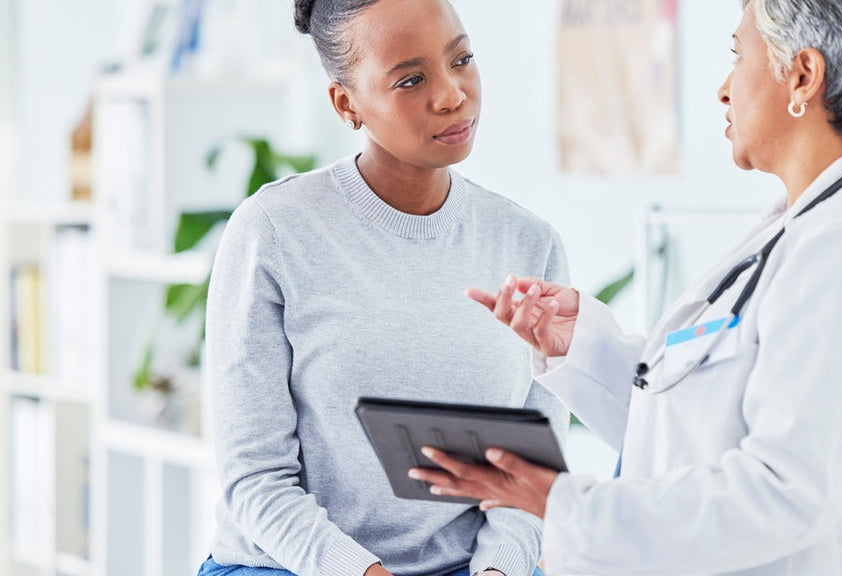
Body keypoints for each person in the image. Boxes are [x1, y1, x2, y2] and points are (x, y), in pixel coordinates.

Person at [411, 0, 842, 574]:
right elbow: (696, 428)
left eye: (738, 55)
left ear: (803, 77)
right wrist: (584, 345)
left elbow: (785, 491)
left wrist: (563, 504)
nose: (723, 88)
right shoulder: (803, 231)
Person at [196, 1, 568, 575]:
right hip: (293, 566)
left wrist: (497, 571)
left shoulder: (528, 244)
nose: (451, 94)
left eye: (462, 58)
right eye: (411, 79)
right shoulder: (274, 230)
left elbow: (529, 474)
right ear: (347, 104)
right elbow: (256, 480)